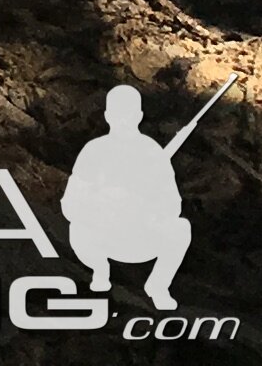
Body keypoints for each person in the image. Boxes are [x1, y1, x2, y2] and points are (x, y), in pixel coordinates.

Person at [65, 84, 194, 309]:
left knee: (181, 228)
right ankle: (99, 270)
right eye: (117, 115)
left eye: (129, 115)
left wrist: (150, 208)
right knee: (76, 229)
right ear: (107, 116)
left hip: (140, 236)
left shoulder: (153, 152)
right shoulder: (93, 151)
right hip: (102, 236)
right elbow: (70, 204)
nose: (123, 121)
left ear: (139, 116)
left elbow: (173, 204)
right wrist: (103, 201)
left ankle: (158, 285)